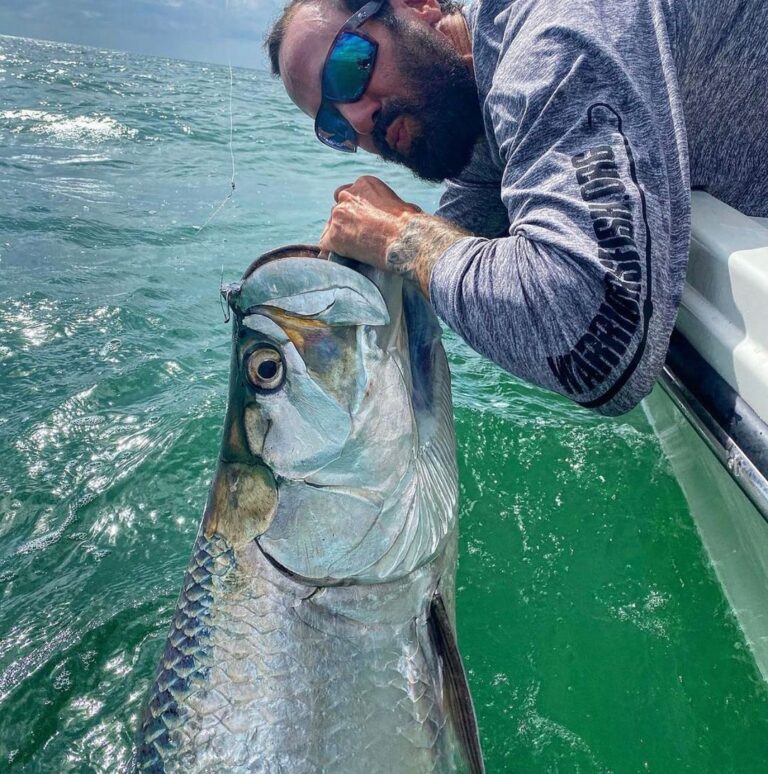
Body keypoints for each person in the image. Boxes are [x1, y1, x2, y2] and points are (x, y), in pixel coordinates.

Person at [265, 0, 768, 415]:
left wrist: (399, 236)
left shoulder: (553, 35)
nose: (358, 120)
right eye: (332, 126)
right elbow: (467, 213)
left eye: (348, 68)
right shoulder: (478, 99)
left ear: (415, 7)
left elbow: (602, 350)